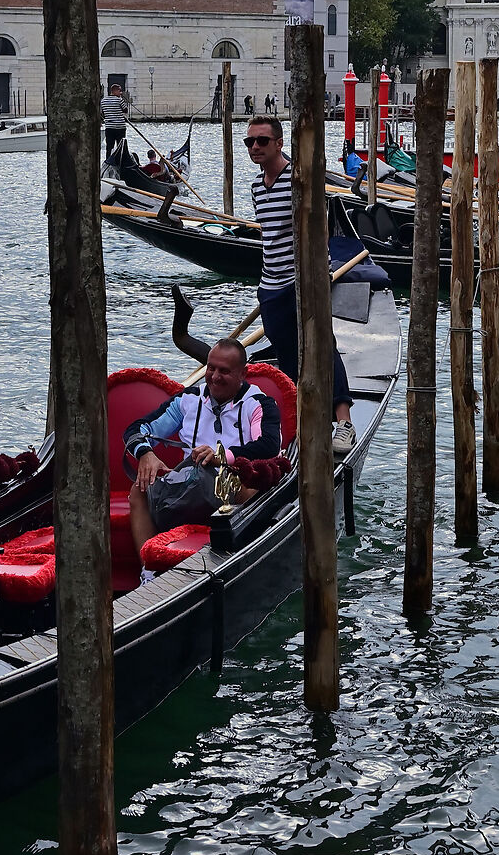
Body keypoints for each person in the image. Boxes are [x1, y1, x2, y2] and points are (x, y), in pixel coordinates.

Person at [242, 116, 354, 449]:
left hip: (304, 281)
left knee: (322, 347)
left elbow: (319, 229)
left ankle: (344, 423)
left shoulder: (300, 178)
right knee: (286, 356)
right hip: (270, 285)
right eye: (250, 142)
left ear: (279, 143)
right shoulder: (255, 187)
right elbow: (270, 239)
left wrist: (316, 278)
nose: (255, 147)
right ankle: (299, 421)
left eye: (262, 140)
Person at [122, 337, 284, 563]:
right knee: (139, 489)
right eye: (211, 368)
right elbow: (137, 429)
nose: (215, 377)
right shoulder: (187, 399)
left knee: (248, 486)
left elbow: (269, 446)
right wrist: (145, 454)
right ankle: (148, 569)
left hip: (235, 481)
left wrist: (222, 456)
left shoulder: (259, 404)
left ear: (243, 374)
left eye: (224, 371)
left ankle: (231, 558)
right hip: (193, 480)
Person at [101, 82, 129, 161]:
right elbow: (125, 110)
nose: (120, 93)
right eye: (119, 91)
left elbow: (103, 113)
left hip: (109, 127)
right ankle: (120, 160)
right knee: (121, 146)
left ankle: (108, 160)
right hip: (120, 127)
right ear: (115, 91)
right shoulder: (119, 100)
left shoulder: (103, 101)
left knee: (109, 146)